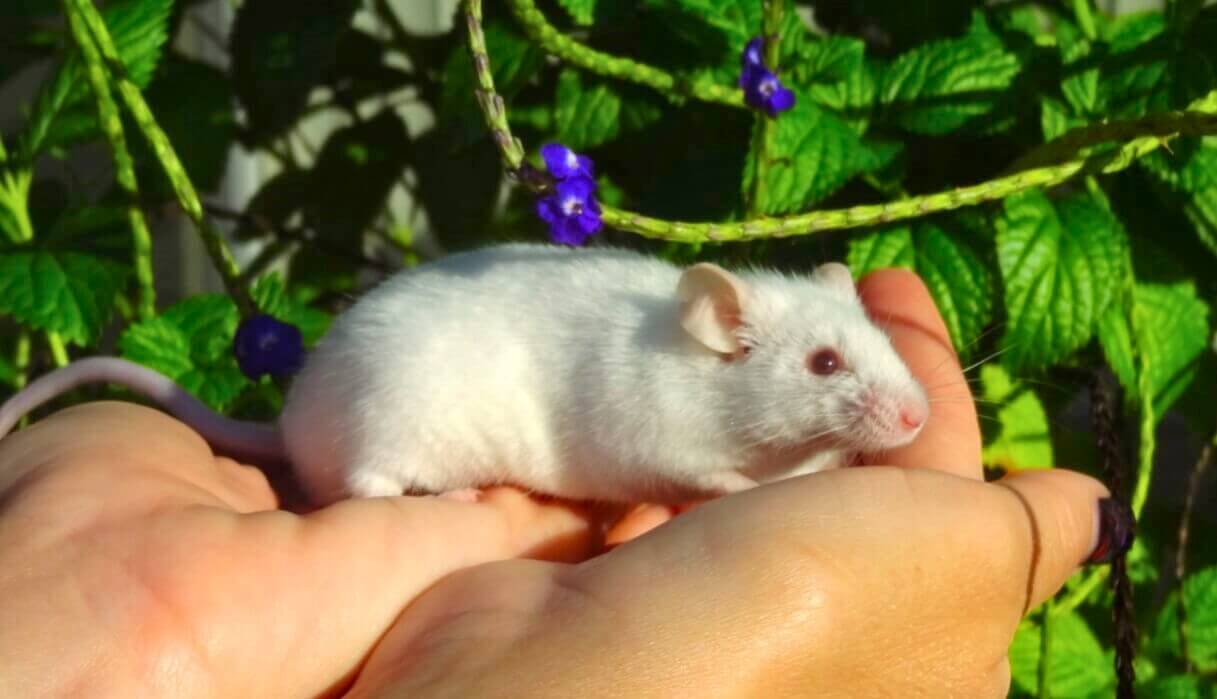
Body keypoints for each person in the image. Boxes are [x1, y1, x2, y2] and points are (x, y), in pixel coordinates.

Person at [0, 270, 1127, 697]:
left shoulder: (698, 351)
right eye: (832, 367)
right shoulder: (658, 367)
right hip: (373, 420)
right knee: (406, 404)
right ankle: (372, 482)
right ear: (721, 323)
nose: (887, 407)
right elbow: (661, 452)